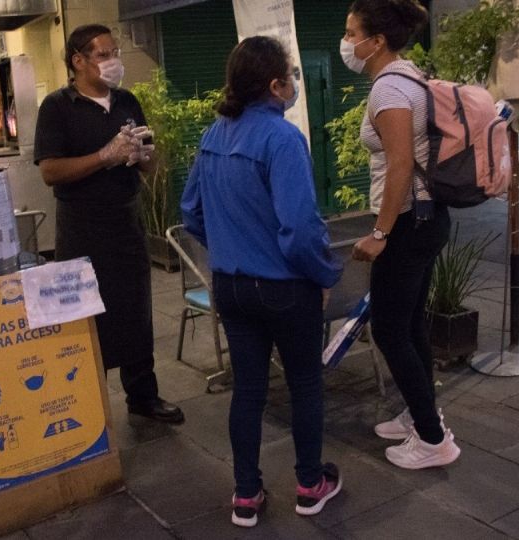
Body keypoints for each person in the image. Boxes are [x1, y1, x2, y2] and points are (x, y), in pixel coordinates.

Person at [181, 36, 343, 527]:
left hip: (229, 287)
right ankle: (310, 486)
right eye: (290, 75)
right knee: (305, 385)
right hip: (284, 289)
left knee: (248, 390)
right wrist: (324, 274)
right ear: (275, 84)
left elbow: (190, 212)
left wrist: (232, 246)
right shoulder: (282, 139)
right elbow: (298, 230)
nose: (294, 83)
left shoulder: (214, 134)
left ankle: (246, 495)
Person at [34, 24, 183, 424]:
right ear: (77, 61)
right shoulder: (58, 107)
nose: (113, 61)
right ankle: (87, 403)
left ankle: (143, 394)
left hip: (126, 220)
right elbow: (49, 171)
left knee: (135, 307)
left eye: (114, 52)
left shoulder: (127, 101)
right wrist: (104, 155)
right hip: (82, 226)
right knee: (87, 315)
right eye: (103, 54)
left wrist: (140, 155)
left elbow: (153, 164)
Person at [345, 0, 461, 469]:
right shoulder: (411, 77)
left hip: (408, 223)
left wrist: (380, 232)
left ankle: (434, 440)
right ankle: (420, 412)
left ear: (376, 42)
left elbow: (397, 167)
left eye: (352, 33)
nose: (348, 43)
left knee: (390, 330)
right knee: (410, 324)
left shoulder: (389, 90)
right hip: (429, 218)